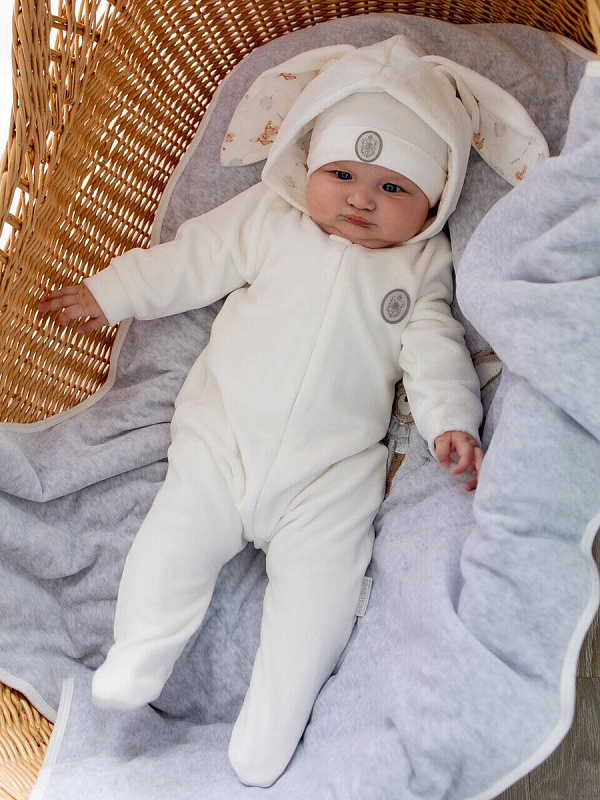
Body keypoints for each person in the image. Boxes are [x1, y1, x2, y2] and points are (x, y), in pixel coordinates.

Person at [38, 36, 547, 787]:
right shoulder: (269, 219)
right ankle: (137, 657)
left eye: (393, 186)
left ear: (436, 198)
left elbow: (436, 349)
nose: (360, 199)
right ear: (307, 165)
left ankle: (270, 729)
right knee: (172, 544)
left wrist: (452, 424)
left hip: (329, 475)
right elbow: (190, 259)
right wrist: (111, 292)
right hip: (224, 440)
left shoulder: (420, 266)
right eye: (342, 173)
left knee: (321, 597)